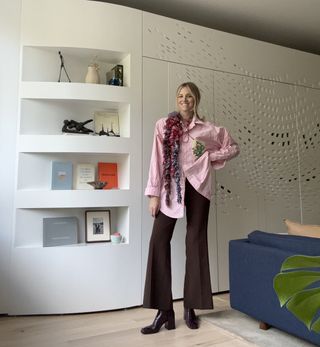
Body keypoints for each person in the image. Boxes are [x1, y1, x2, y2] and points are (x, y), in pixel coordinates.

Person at [141, 82, 240, 334]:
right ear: (177, 99)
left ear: (196, 100)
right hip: (170, 188)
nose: (184, 100)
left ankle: (190, 307)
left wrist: (208, 156)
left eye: (189, 96)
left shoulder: (208, 129)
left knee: (195, 243)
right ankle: (164, 311)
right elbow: (157, 159)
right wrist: (153, 194)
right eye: (180, 96)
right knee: (158, 241)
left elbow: (233, 147)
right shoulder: (163, 125)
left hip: (198, 187)